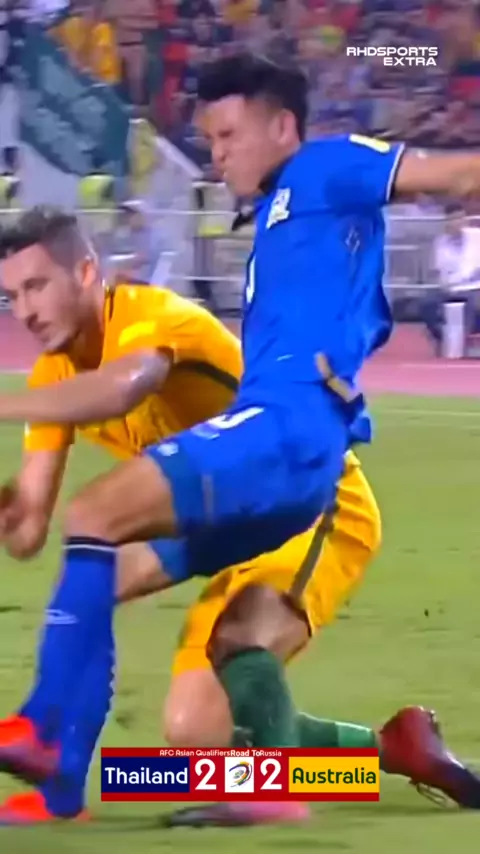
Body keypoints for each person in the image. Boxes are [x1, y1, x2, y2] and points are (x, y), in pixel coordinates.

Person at [1, 49, 480, 815]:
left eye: (227, 136)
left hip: (303, 465)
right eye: (12, 294)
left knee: (108, 529)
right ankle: (384, 753)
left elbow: (454, 175)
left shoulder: (320, 170)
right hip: (240, 474)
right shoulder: (273, 226)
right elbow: (28, 527)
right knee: (168, 753)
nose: (215, 156)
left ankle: (95, 750)